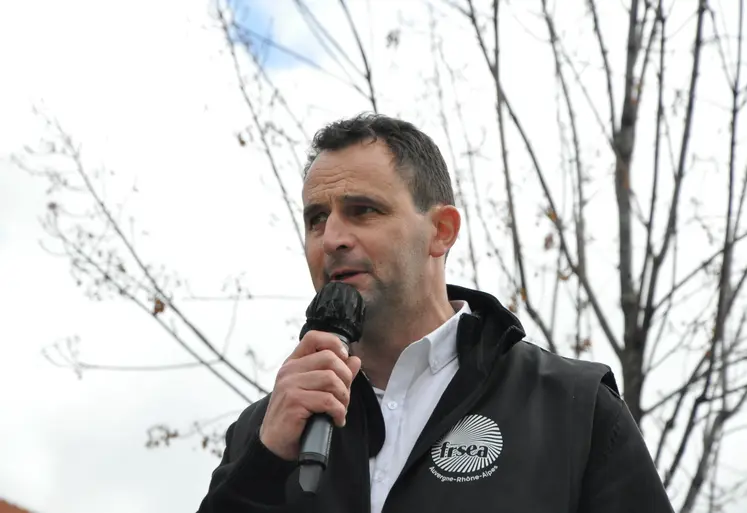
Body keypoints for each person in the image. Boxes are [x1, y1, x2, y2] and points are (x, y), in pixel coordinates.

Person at [196, 113, 674, 513]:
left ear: (442, 231)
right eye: (316, 218)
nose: (333, 238)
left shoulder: (570, 406)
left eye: (362, 210)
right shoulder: (266, 430)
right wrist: (263, 463)